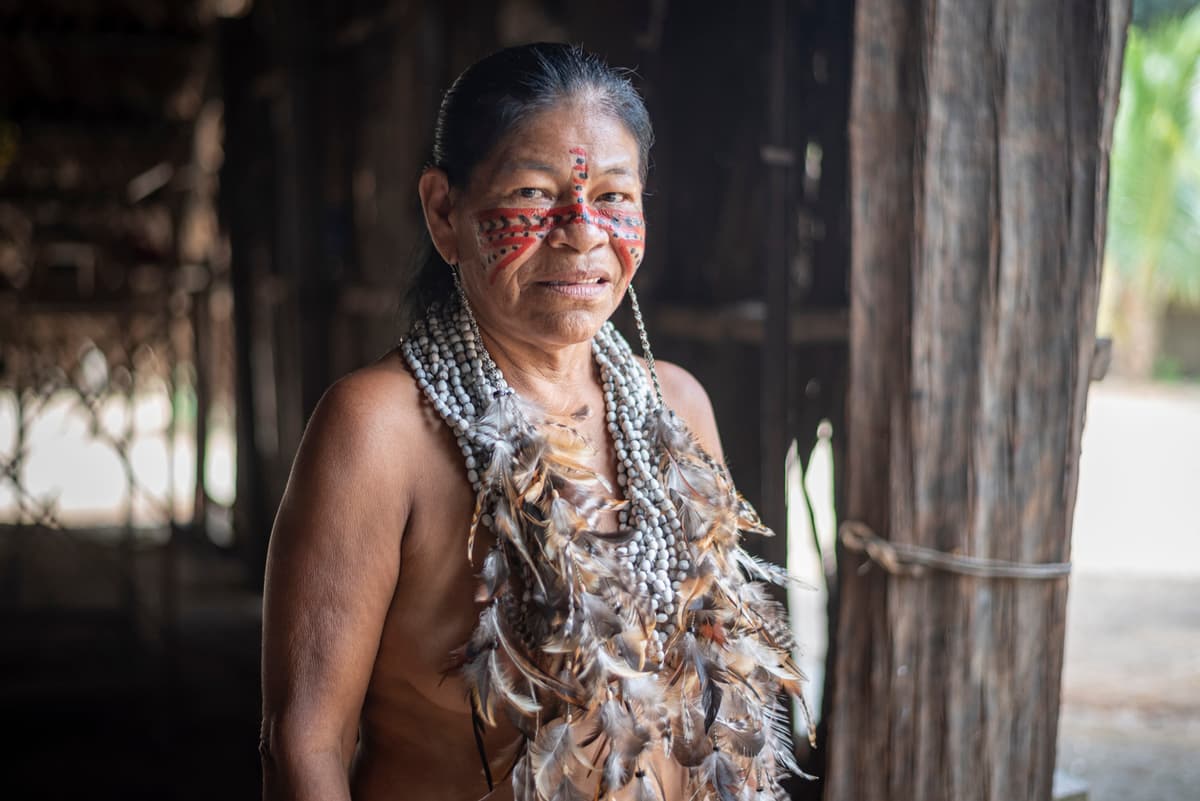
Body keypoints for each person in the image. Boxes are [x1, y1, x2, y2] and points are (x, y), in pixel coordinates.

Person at [259, 43, 810, 801]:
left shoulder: (676, 405)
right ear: (444, 211)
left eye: (615, 196)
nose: (582, 232)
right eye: (532, 193)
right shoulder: (379, 430)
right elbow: (304, 743)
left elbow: (722, 697)